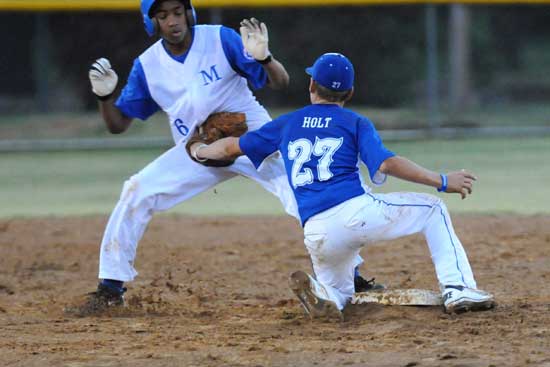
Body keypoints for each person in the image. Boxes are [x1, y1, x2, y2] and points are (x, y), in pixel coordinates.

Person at [72, 0, 374, 315]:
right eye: (162, 16)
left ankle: (351, 277)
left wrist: (265, 58)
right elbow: (118, 125)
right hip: (199, 149)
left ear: (189, 13)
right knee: (137, 190)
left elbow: (280, 82)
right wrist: (104, 97)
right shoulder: (148, 66)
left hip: (251, 136)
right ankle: (110, 287)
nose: (172, 21)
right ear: (152, 23)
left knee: (304, 192)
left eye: (177, 12)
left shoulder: (219, 38)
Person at [188, 52, 496, 318]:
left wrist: (197, 151)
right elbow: (385, 163)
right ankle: (458, 289)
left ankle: (327, 296)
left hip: (317, 231)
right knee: (433, 209)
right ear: (349, 92)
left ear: (311, 85)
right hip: (355, 211)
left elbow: (229, 149)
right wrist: (441, 180)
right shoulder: (355, 122)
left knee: (339, 292)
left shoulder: (288, 122)